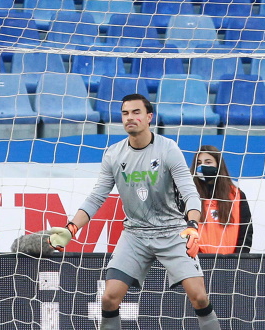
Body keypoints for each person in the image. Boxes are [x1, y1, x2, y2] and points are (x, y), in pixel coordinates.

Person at [47, 93, 221, 330]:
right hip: (135, 235)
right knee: (109, 298)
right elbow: (98, 196)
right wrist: (72, 227)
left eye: (136, 112)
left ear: (149, 117)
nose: (130, 117)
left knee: (199, 296)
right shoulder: (113, 154)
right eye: (125, 113)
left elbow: (190, 193)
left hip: (173, 232)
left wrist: (192, 227)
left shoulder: (168, 149)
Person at [189, 145, 253, 254]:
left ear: (218, 165)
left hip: (231, 262)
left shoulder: (236, 195)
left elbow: (246, 232)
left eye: (208, 162)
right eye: (199, 163)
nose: (202, 166)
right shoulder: (189, 195)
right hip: (196, 261)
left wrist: (239, 258)